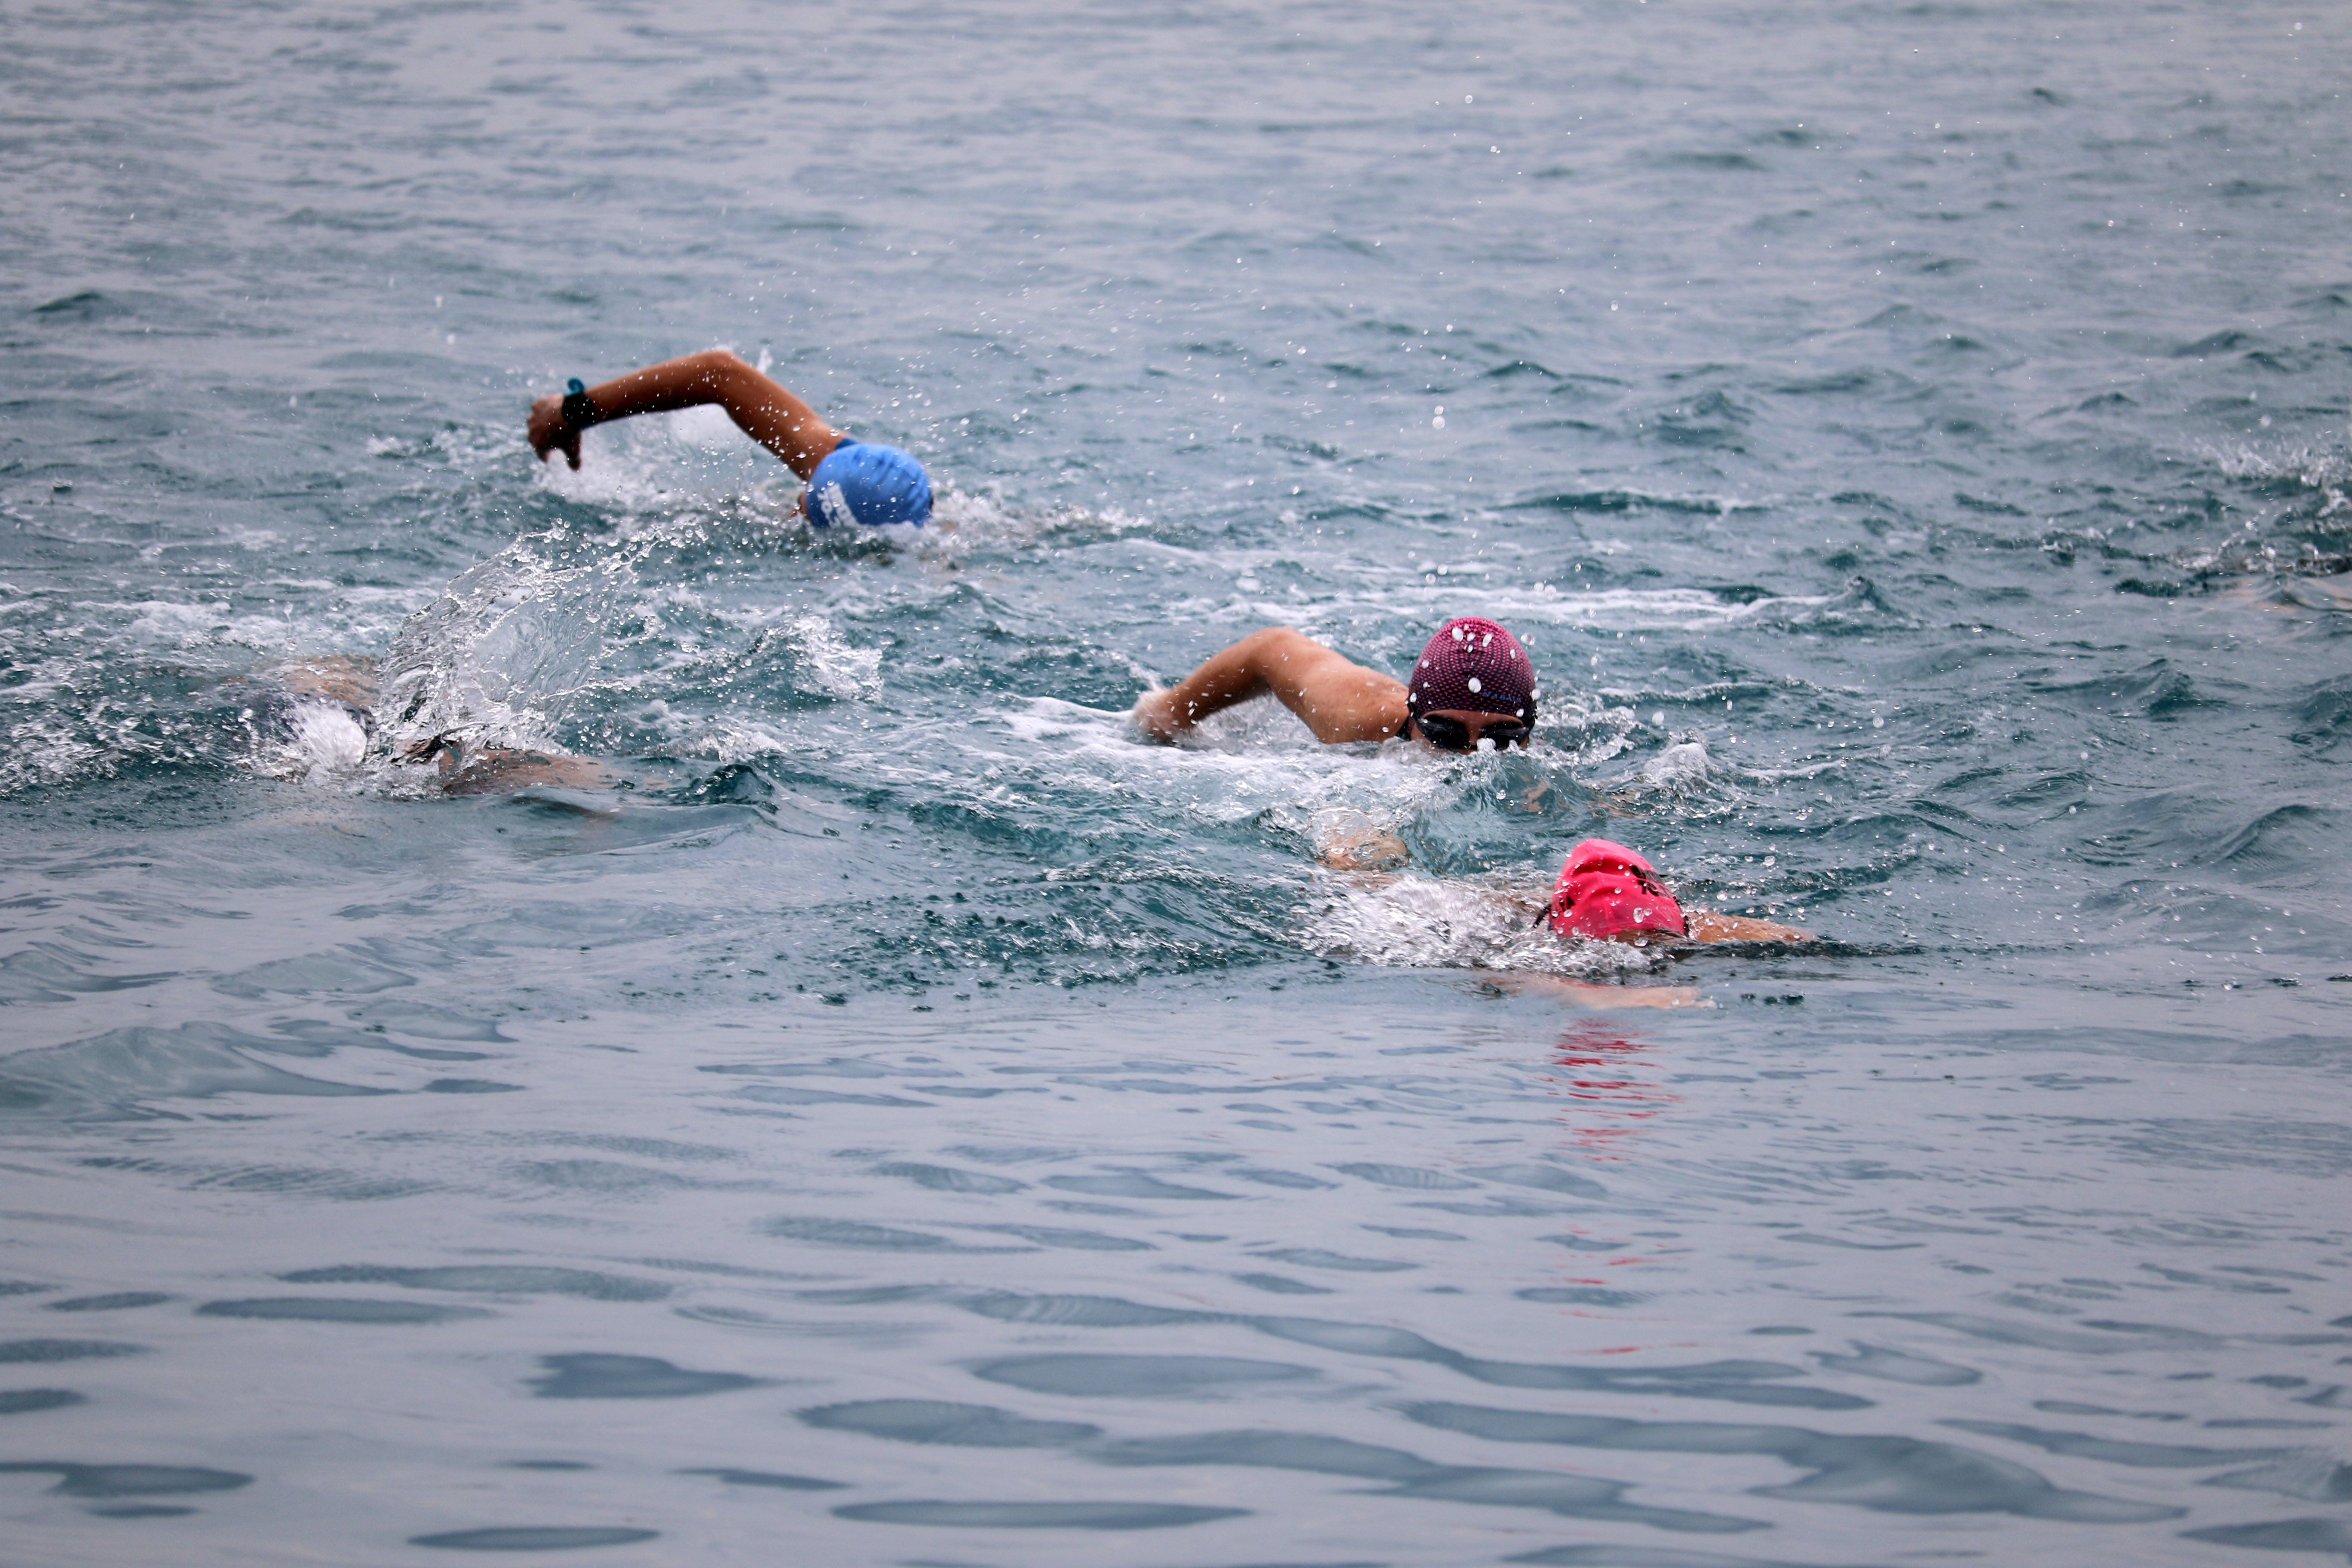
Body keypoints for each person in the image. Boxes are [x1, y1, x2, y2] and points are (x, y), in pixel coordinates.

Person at [527, 349, 932, 528]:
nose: (794, 514)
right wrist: (573, 413)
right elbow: (719, 373)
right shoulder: (843, 470)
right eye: (802, 499)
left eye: (804, 515)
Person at [1132, 616, 1539, 753]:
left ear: (1527, 738)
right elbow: (1273, 648)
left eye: (1497, 741)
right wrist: (1174, 711)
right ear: (1413, 719)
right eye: (1446, 735)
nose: (1469, 755)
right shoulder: (1358, 720)